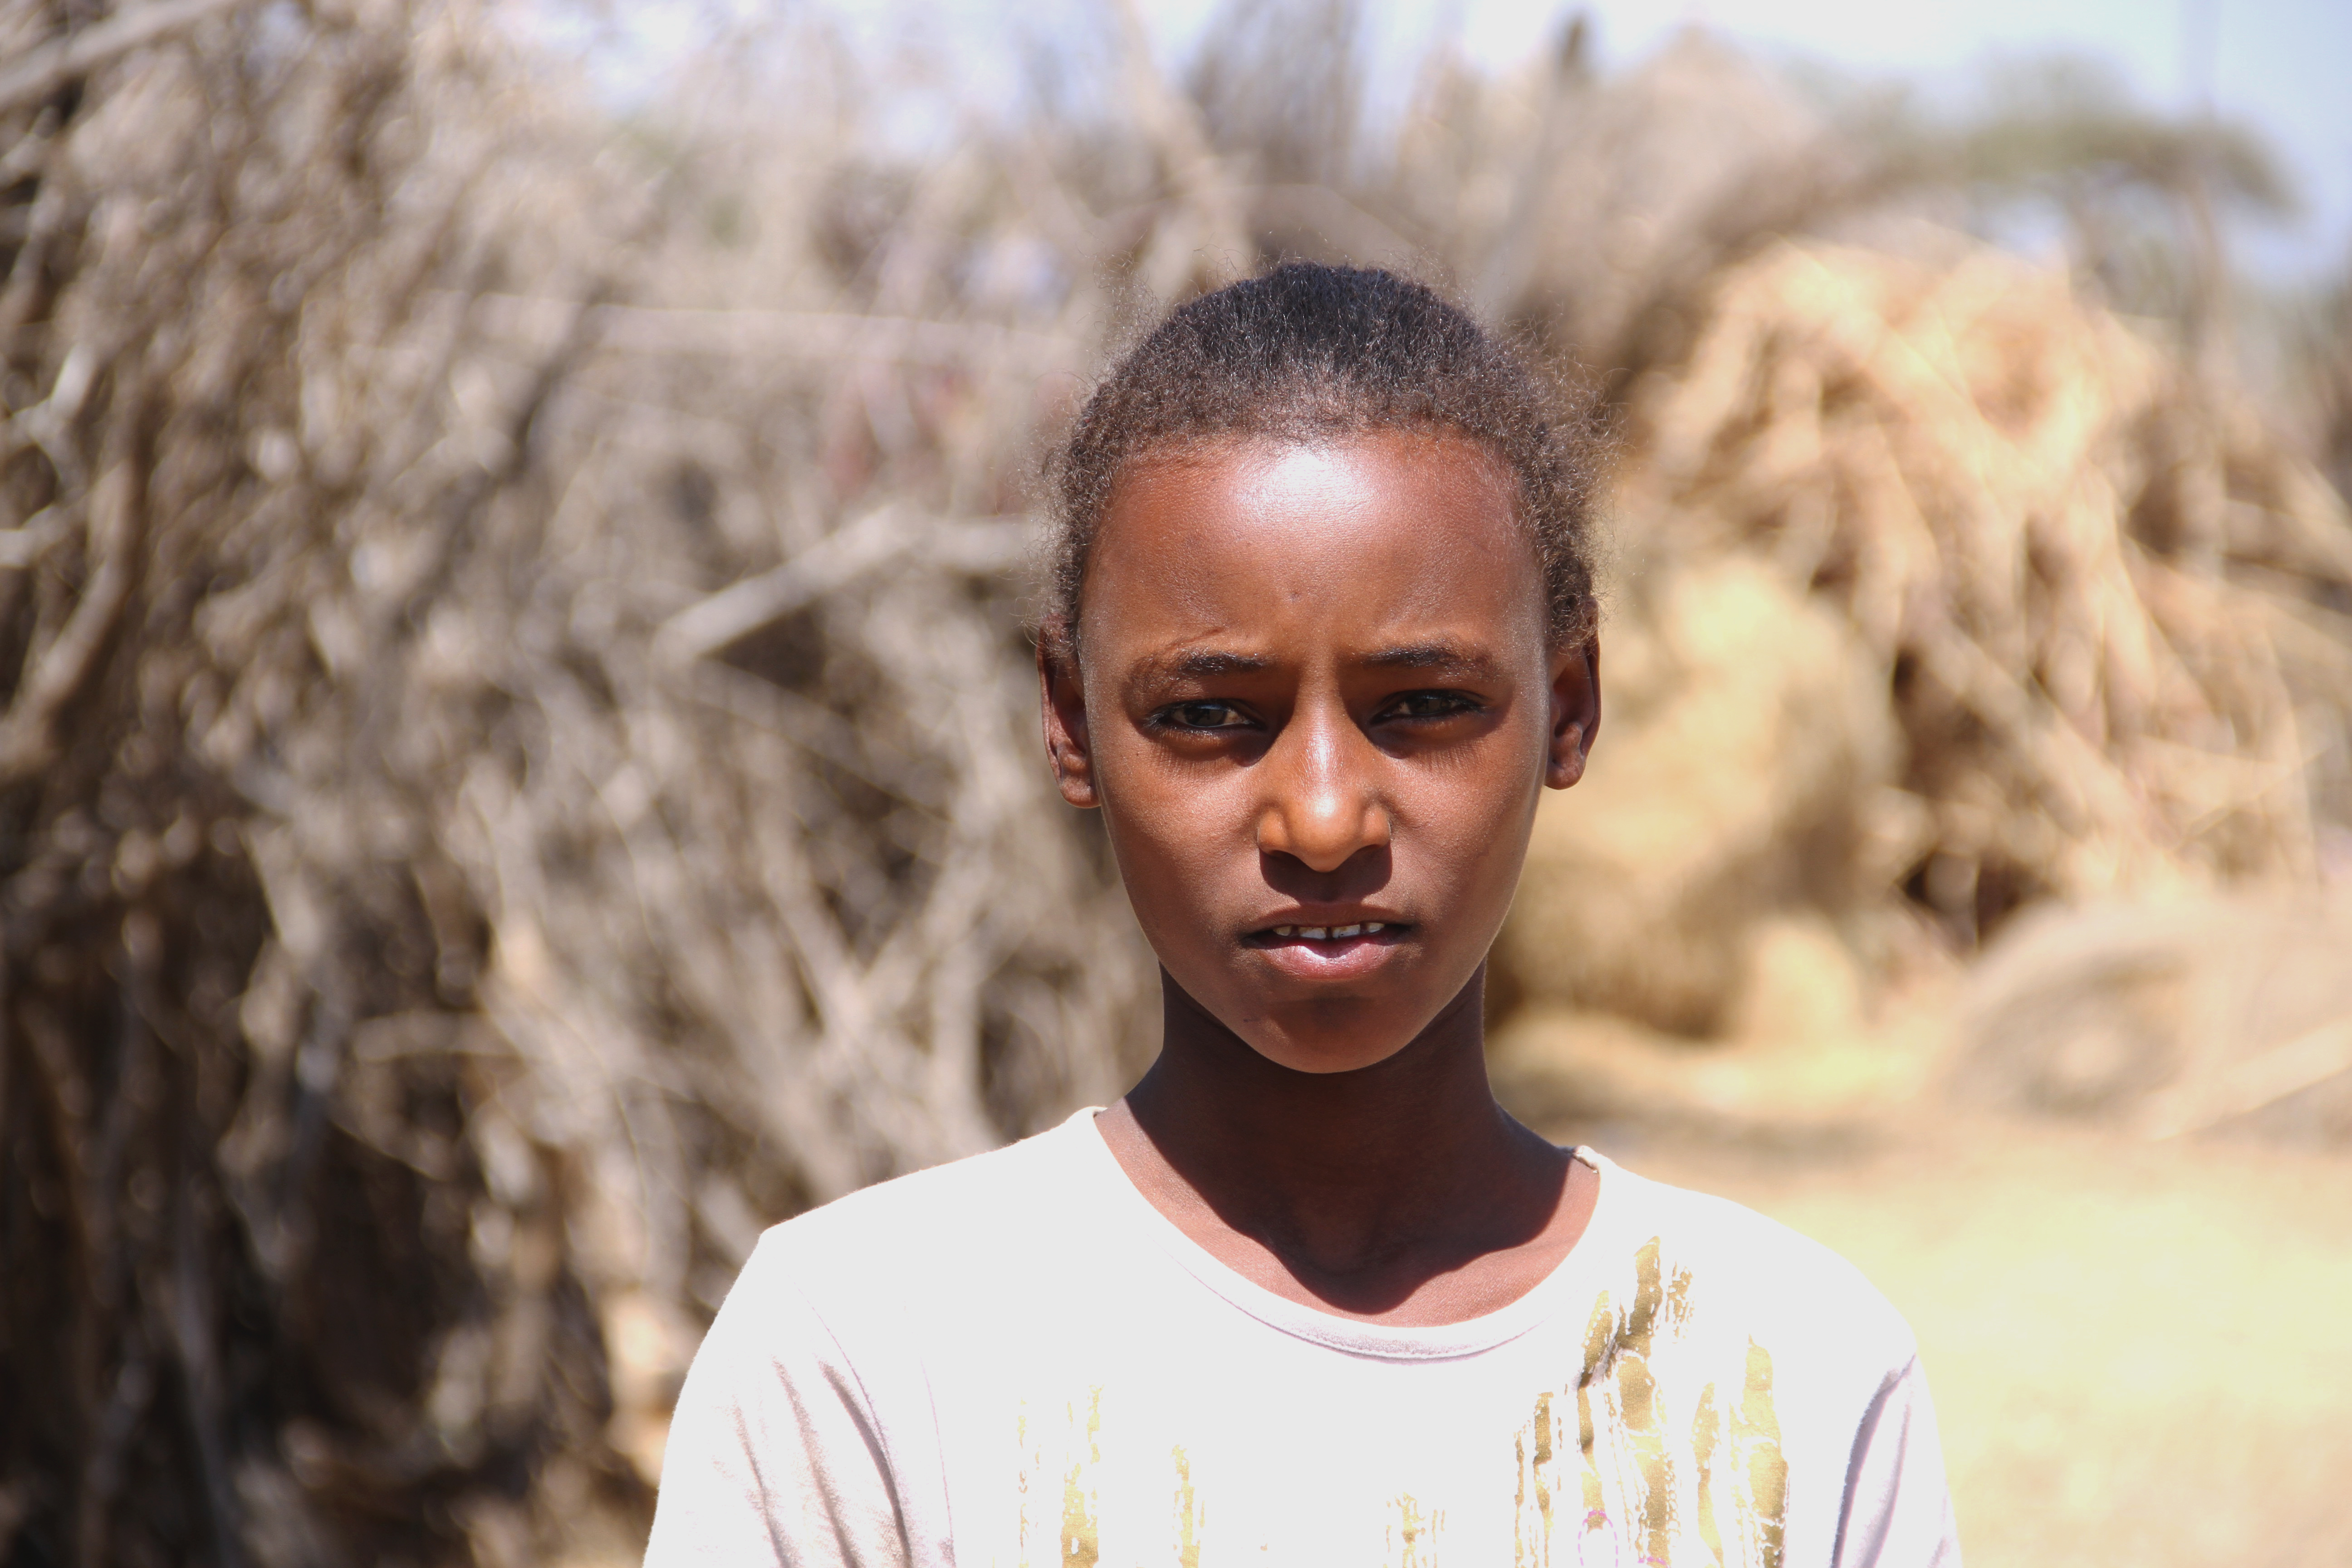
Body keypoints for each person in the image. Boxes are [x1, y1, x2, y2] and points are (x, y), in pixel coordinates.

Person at [644, 263, 1961, 1568]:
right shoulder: (874, 1359)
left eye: (1424, 706)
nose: (1324, 819)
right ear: (1070, 721)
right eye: (1211, 715)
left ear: (1570, 708)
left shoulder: (1792, 1376)